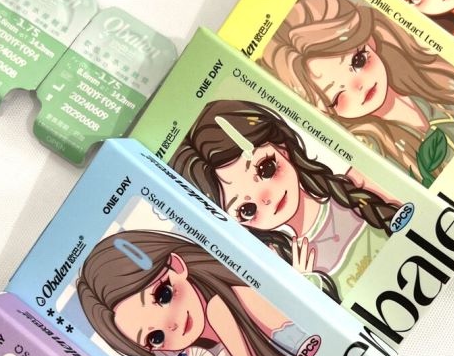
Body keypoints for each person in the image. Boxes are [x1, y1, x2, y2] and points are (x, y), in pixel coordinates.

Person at [76, 230, 298, 356]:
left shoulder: (242, 298)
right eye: (156, 338)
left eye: (164, 296)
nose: (172, 324)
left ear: (176, 265)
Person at [171, 99, 399, 300]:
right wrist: (303, 283)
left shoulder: (351, 185)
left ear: (282, 147)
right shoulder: (278, 264)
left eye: (266, 169)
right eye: (247, 209)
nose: (266, 198)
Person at [258, 0, 454, 185]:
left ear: (370, 41)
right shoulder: (370, 151)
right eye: (337, 96)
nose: (358, 86)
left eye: (358, 61)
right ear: (323, 110)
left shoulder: (439, 83)